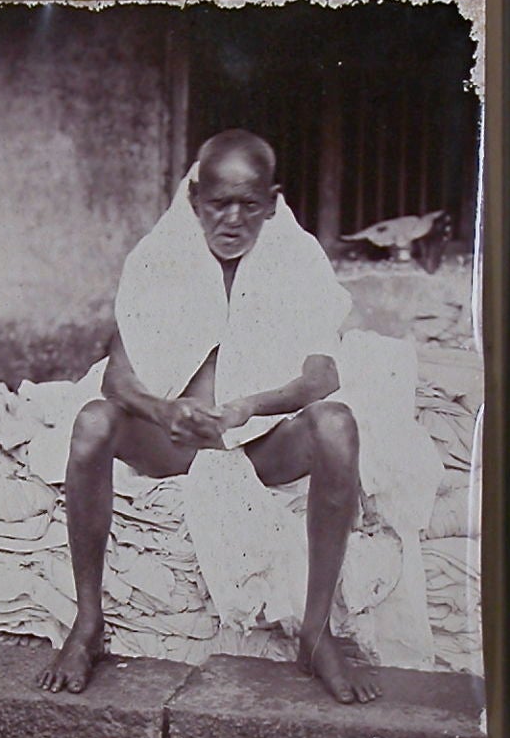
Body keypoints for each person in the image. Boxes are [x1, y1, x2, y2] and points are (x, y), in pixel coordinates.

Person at [36, 129, 382, 704]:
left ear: (272, 202)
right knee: (93, 421)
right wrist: (163, 408)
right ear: (195, 200)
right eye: (219, 204)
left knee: (338, 425)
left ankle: (317, 633)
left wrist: (249, 406)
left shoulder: (297, 259)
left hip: (260, 442)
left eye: (249, 205)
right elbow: (117, 374)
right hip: (174, 440)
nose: (232, 220)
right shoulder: (157, 258)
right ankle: (88, 624)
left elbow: (322, 376)